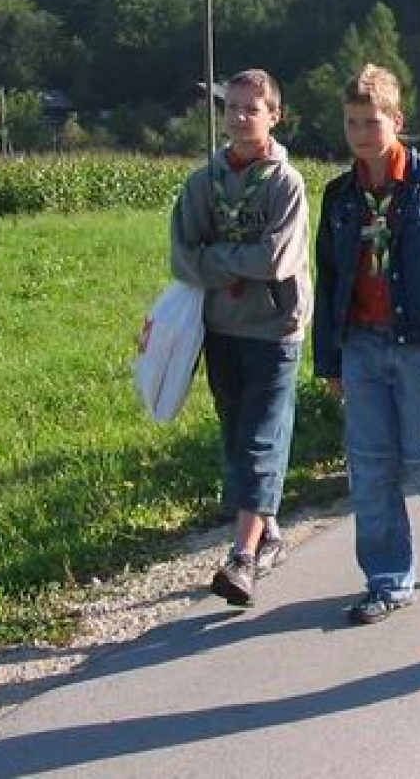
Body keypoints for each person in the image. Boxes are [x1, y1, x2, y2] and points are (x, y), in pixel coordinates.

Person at [314, 64, 420, 626]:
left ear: (397, 120)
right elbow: (329, 279)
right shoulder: (340, 196)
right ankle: (388, 580)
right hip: (361, 344)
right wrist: (329, 358)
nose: (362, 134)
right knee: (369, 466)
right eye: (351, 123)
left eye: (372, 121)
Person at [170, 69, 313, 608]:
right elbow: (181, 255)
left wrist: (218, 264)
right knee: (235, 436)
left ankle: (242, 558)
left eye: (251, 109)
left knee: (260, 439)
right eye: (231, 107)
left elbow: (276, 258)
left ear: (274, 116)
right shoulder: (202, 182)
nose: (238, 117)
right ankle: (268, 531)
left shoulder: (285, 182)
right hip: (222, 328)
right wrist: (227, 269)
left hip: (276, 329)